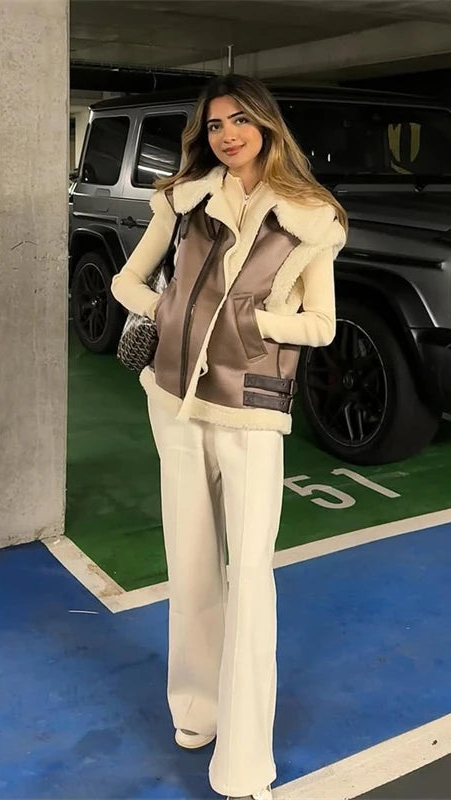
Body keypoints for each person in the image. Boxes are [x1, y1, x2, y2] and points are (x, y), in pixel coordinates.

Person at [111, 74, 347, 800]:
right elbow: (126, 283)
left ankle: (244, 760)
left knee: (249, 576)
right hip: (174, 402)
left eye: (240, 121)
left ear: (268, 126)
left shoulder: (312, 217)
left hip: (250, 409)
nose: (227, 135)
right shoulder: (181, 199)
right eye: (214, 126)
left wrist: (248, 325)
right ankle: (196, 710)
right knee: (189, 564)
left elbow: (322, 326)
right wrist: (173, 312)